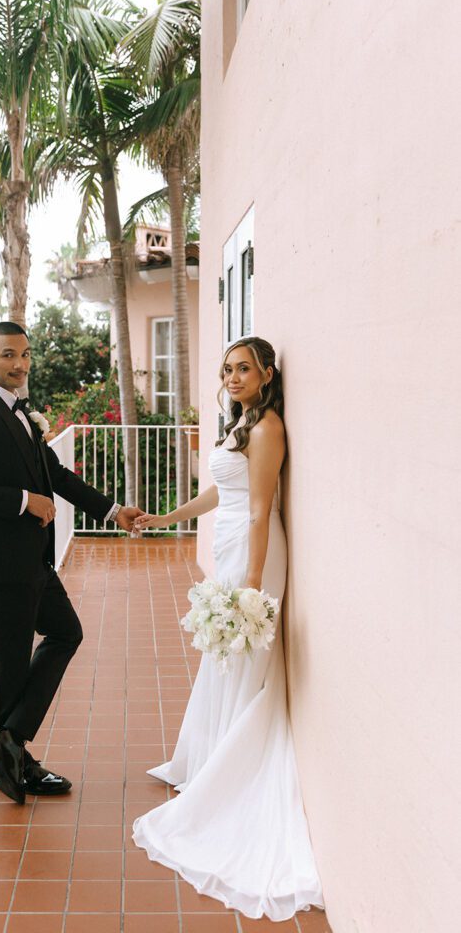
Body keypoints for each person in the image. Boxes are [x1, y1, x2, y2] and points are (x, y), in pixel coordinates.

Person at [132, 336, 325, 921]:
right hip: (233, 543)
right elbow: (224, 492)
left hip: (254, 552)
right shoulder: (244, 423)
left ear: (268, 373)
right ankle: (213, 756)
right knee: (225, 656)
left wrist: (250, 585)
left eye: (244, 368)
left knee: (242, 652)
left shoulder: (268, 430)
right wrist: (168, 517)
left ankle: (232, 771)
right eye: (227, 369)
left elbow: (262, 507)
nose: (233, 376)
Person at [0, 321, 141, 804]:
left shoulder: (20, 413)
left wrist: (113, 511)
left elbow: (55, 474)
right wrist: (23, 500)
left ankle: (8, 743)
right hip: (4, 565)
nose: (20, 364)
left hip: (33, 561)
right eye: (8, 355)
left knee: (66, 632)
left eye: (25, 355)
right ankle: (16, 762)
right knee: (9, 667)